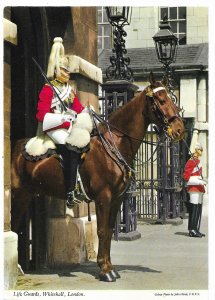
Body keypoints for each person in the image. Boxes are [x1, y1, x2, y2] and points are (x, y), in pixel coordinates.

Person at [36, 37, 93, 208]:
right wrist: (63, 118)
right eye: (64, 70)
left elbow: (78, 108)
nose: (68, 73)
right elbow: (41, 115)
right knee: (70, 148)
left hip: (68, 126)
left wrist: (88, 112)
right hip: (54, 128)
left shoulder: (69, 90)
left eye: (68, 71)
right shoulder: (48, 89)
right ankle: (70, 191)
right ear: (56, 70)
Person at [183, 142, 207, 238]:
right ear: (195, 150)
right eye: (199, 149)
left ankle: (196, 228)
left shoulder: (197, 161)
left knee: (197, 209)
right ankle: (192, 230)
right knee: (194, 209)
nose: (201, 151)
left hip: (199, 188)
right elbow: (186, 177)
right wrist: (198, 182)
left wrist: (203, 181)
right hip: (194, 188)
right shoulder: (191, 161)